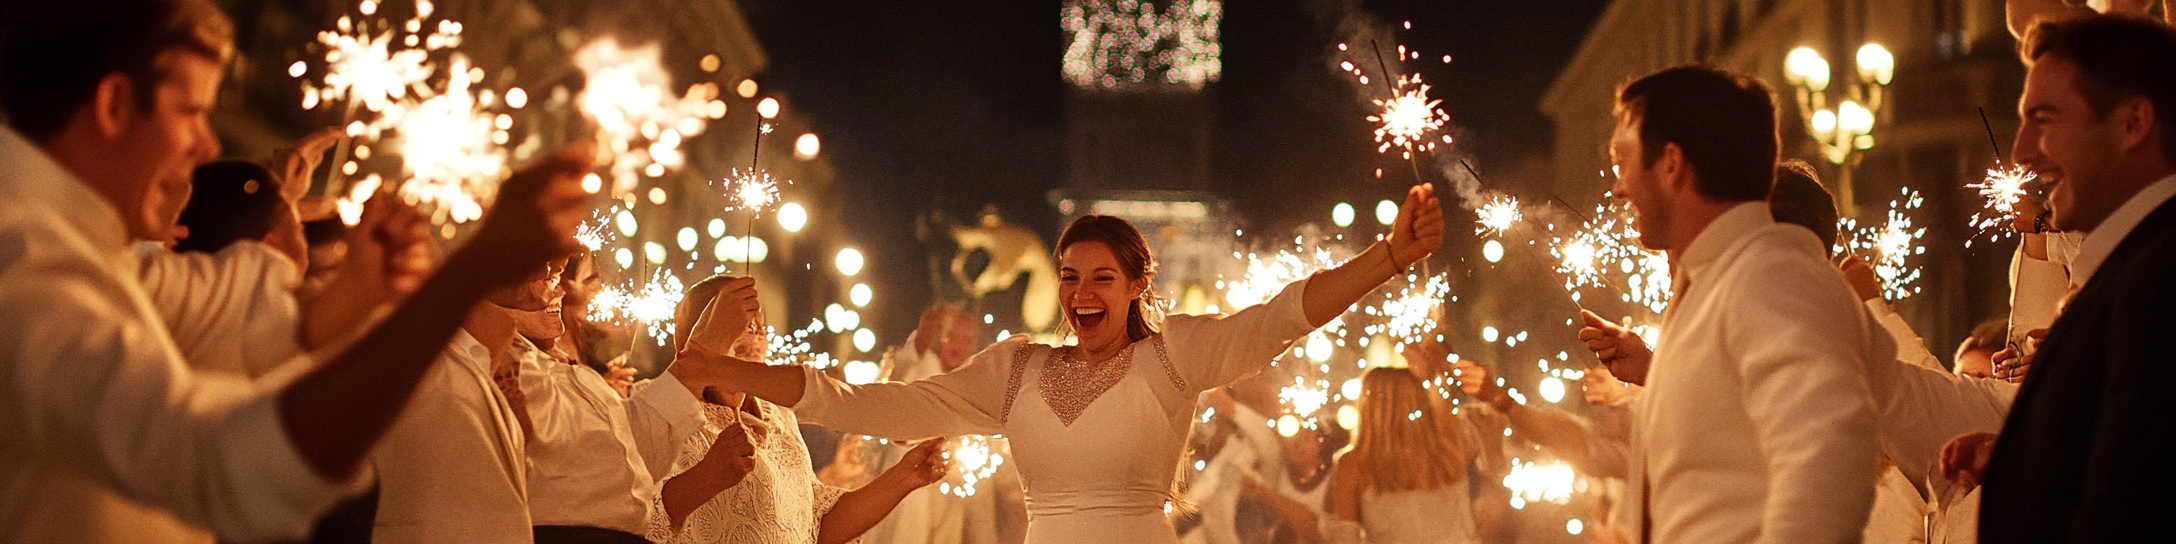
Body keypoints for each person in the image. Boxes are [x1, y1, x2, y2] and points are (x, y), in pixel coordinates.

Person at [0, 1, 595, 542]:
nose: (208, 146)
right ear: (113, 105)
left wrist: (362, 286)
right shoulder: (22, 268)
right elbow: (224, 468)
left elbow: (231, 312)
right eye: (191, 114)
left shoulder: (80, 249)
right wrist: (466, 275)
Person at [698, 182, 1446, 543]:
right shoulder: (1014, 368)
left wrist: (1386, 257)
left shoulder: (1175, 354)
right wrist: (727, 370)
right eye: (1069, 275)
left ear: (1136, 287)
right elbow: (869, 402)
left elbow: (1282, 318)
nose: (1081, 293)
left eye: (1102, 278)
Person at [1600, 65, 1882, 543]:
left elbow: (1828, 452)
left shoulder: (1771, 274)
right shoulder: (1719, 281)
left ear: (1671, 164)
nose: (1618, 186)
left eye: (1621, 161)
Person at [1944, 15, 2176, 542]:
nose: (2023, 151)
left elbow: (2130, 511)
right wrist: (2028, 460)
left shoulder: (2157, 284)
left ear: (2134, 123)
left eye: (2044, 119)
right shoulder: (2132, 267)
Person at [651, 275, 949, 544]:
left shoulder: (779, 414)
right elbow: (638, 513)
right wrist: (707, 477)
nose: (753, 337)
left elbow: (818, 523)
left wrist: (906, 475)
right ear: (694, 332)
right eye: (738, 325)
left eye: (760, 327)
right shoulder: (659, 406)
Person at [1324, 367, 1501, 544]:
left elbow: (1345, 537)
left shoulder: (1353, 463)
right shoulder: (1449, 446)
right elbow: (1496, 455)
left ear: (1368, 406)